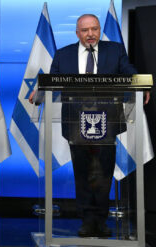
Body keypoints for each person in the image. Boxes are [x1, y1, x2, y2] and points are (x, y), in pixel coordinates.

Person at [31, 14, 147, 238]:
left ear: (99, 30)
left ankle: (101, 221)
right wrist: (39, 91)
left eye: (94, 29)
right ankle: (86, 220)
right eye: (85, 30)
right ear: (77, 33)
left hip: (108, 122)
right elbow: (51, 80)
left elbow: (129, 71)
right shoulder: (63, 54)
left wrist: (141, 85)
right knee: (83, 174)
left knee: (103, 174)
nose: (90, 34)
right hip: (75, 124)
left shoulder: (114, 50)